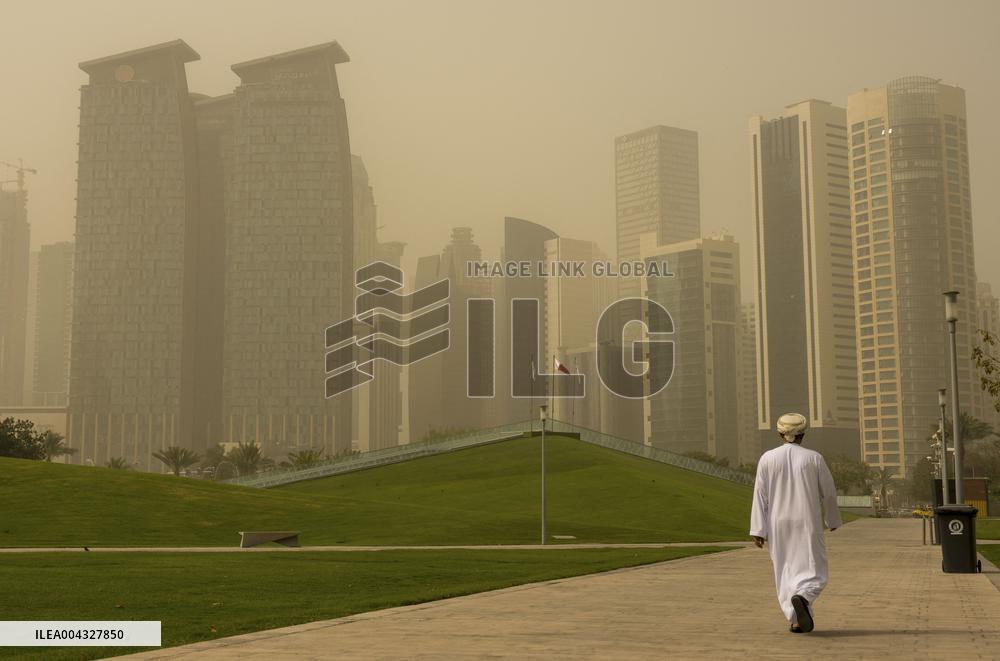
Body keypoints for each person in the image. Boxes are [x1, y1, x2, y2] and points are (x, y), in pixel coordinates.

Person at [749, 412, 841, 633]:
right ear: (803, 434)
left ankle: (796, 620)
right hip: (806, 520)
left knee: (784, 569)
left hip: (778, 523)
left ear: (780, 434)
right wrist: (832, 518)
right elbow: (828, 493)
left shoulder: (767, 458)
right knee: (814, 568)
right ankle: (804, 596)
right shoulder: (814, 458)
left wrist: (758, 529)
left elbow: (760, 495)